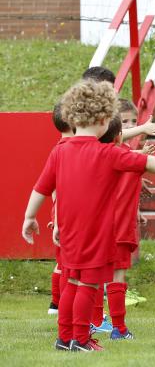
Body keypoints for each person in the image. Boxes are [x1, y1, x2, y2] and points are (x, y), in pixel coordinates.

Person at [21, 80, 155, 352]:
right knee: (87, 284)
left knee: (71, 281)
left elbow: (41, 188)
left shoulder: (60, 151)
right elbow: (146, 162)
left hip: (68, 232)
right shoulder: (107, 152)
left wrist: (29, 218)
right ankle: (82, 339)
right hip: (96, 234)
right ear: (103, 119)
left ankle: (64, 338)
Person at [46, 102, 75, 316]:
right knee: (69, 266)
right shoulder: (70, 150)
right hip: (70, 212)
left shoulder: (58, 149)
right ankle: (62, 305)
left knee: (63, 263)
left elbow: (51, 188)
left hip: (61, 212)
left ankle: (56, 305)